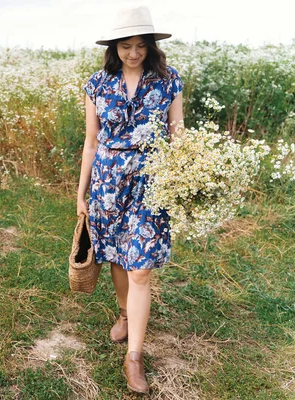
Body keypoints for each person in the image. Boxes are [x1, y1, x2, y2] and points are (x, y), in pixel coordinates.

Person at [76, 5, 184, 395]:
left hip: (152, 183)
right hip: (107, 181)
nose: (134, 53)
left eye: (141, 46)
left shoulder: (169, 81)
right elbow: (91, 141)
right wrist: (81, 190)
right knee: (118, 257)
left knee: (140, 268)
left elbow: (178, 135)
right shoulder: (97, 83)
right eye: (126, 46)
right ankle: (124, 313)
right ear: (114, 47)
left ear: (151, 46)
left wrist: (188, 179)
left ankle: (134, 357)